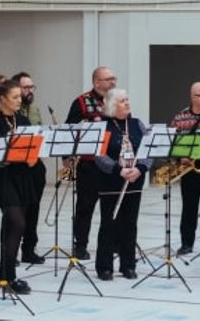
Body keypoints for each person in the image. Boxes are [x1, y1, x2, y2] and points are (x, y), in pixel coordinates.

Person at [0, 80, 36, 294]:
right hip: (3, 179)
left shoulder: (22, 120)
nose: (19, 100)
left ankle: (5, 276)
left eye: (19, 97)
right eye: (14, 97)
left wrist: (32, 157)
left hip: (22, 178)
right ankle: (7, 276)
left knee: (11, 227)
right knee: (17, 223)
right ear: (2, 99)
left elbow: (32, 146)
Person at [94, 89, 151, 281]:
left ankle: (128, 265)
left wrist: (140, 168)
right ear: (112, 105)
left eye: (127, 99)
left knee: (130, 224)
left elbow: (147, 149)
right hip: (111, 180)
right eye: (122, 101)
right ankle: (104, 266)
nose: (127, 103)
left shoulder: (136, 124)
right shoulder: (102, 126)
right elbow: (99, 155)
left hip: (134, 180)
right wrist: (118, 170)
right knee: (109, 224)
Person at [65, 66, 118, 260]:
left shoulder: (118, 100)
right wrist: (67, 156)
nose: (113, 82)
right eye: (109, 79)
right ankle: (80, 245)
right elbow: (69, 129)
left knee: (111, 208)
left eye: (114, 78)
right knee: (85, 208)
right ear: (97, 83)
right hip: (89, 164)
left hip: (112, 164)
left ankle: (112, 244)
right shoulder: (81, 102)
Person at [171, 81, 200, 256]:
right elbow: (171, 142)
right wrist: (180, 157)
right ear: (192, 97)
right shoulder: (180, 117)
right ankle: (187, 243)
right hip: (189, 170)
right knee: (189, 208)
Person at [11, 71, 45, 265]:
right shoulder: (12, 111)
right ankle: (11, 251)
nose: (30, 90)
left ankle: (29, 249)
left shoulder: (35, 108)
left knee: (34, 209)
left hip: (35, 165)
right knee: (17, 212)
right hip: (17, 167)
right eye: (26, 87)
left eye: (32, 86)